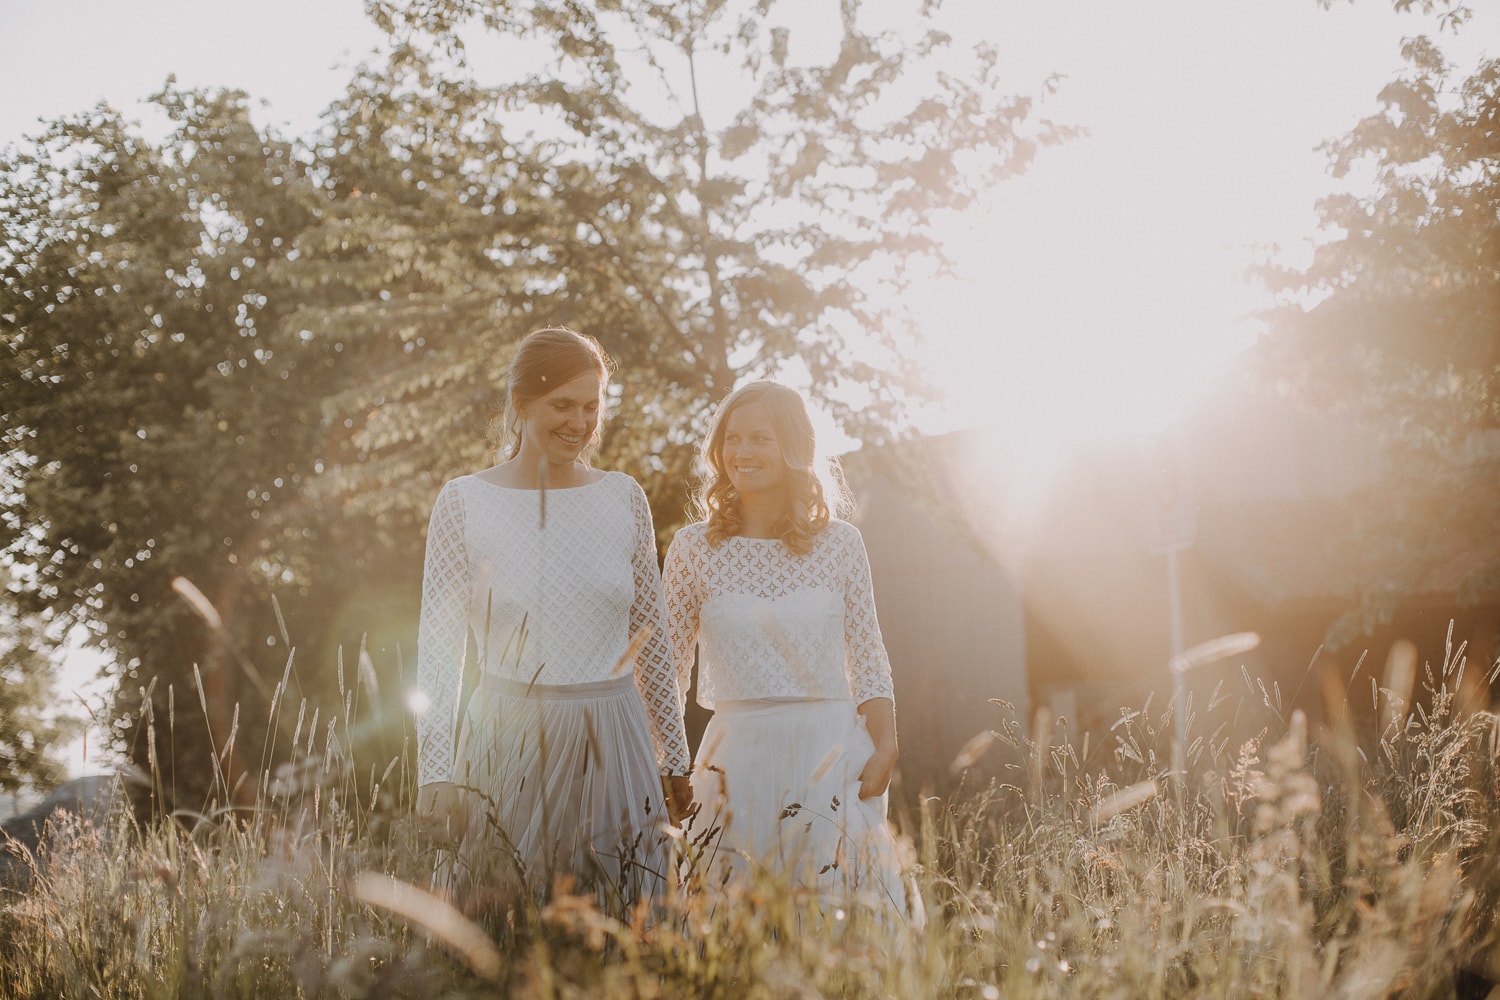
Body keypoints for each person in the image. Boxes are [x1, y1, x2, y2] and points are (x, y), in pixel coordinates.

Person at [413, 327, 692, 909]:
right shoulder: (463, 502)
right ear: (520, 405)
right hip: (510, 744)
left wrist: (675, 757)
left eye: (592, 406)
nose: (580, 421)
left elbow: (654, 642)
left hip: (616, 744)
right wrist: (434, 770)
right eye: (561, 405)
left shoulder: (624, 498)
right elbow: (438, 650)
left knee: (626, 925)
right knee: (510, 929)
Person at [663, 380, 920, 925]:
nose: (743, 452)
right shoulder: (692, 548)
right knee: (730, 928)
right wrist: (668, 762)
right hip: (734, 761)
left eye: (761, 438)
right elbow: (668, 669)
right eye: (733, 439)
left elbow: (868, 652)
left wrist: (887, 743)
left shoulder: (841, 544)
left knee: (839, 924)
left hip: (828, 754)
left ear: (795, 449)